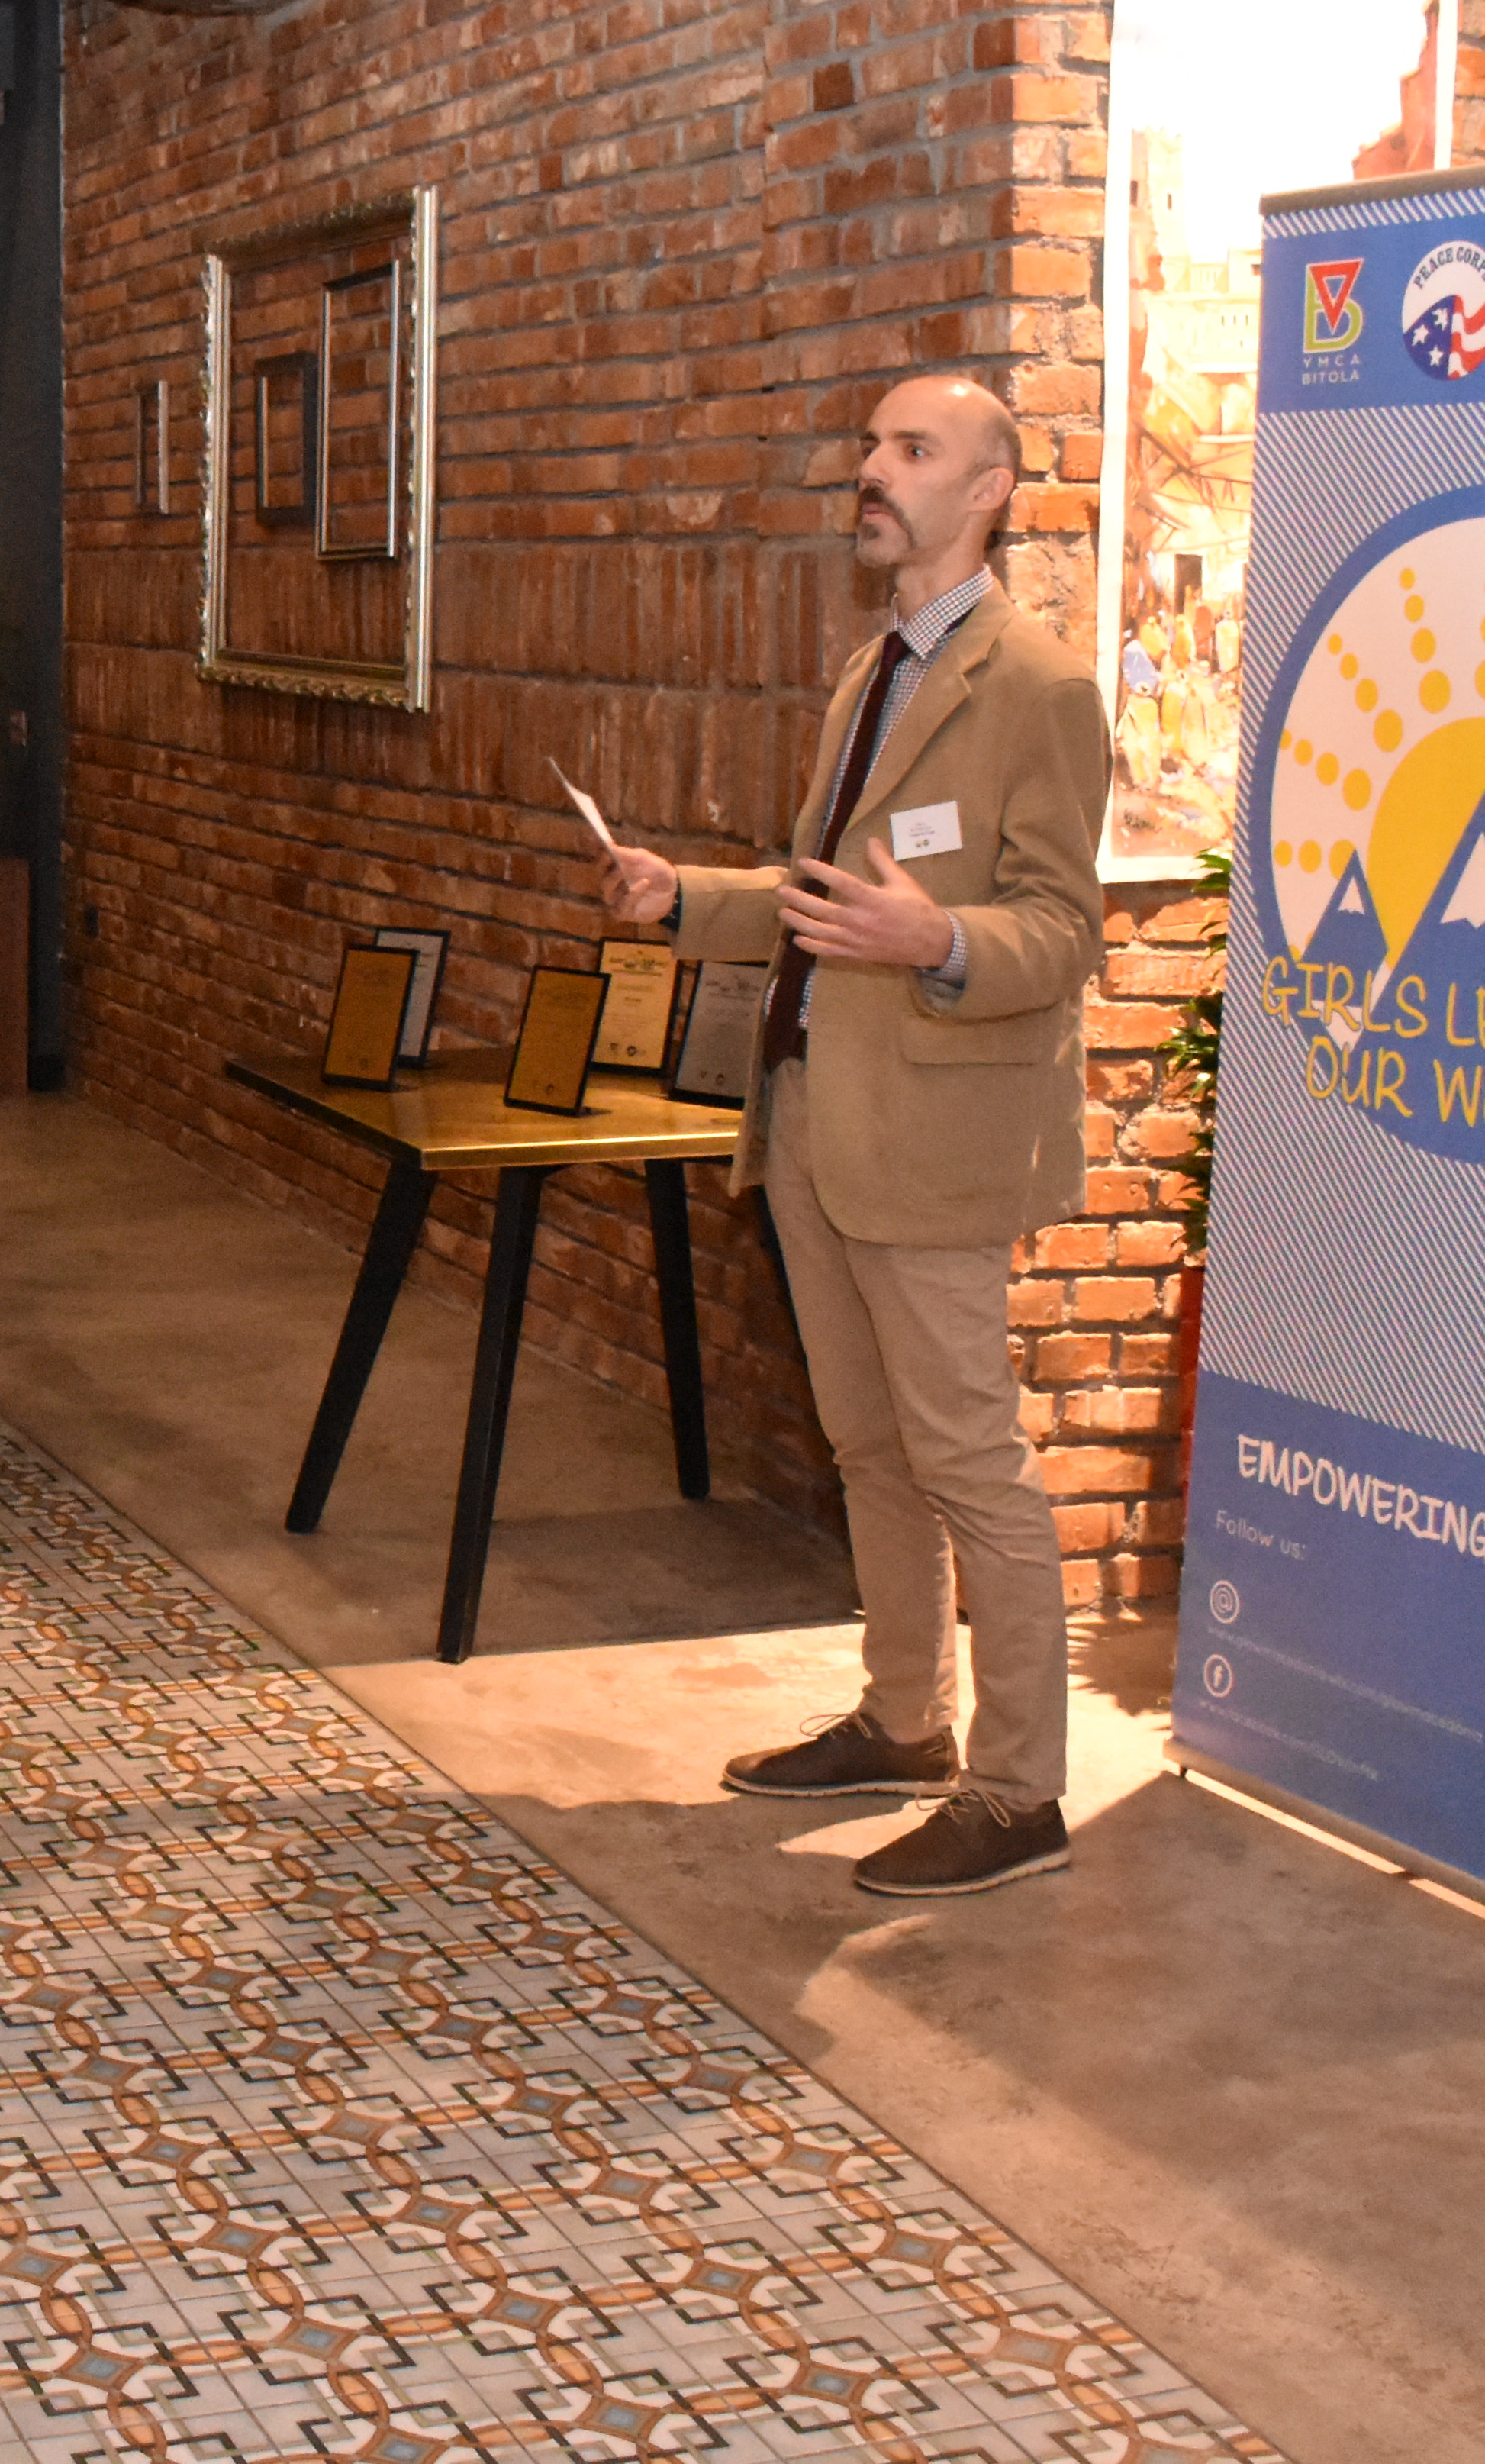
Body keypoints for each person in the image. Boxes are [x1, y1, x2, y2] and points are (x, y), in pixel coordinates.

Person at [597, 373, 1107, 1898]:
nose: (871, 468)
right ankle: (905, 1719)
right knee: (869, 1446)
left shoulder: (1039, 688)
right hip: (818, 1107)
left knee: (971, 1463)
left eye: (910, 449)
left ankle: (1021, 1789)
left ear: (991, 489)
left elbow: (1061, 931)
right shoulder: (867, 670)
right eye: (873, 446)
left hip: (936, 1132)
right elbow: (823, 898)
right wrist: (685, 899)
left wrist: (936, 935)